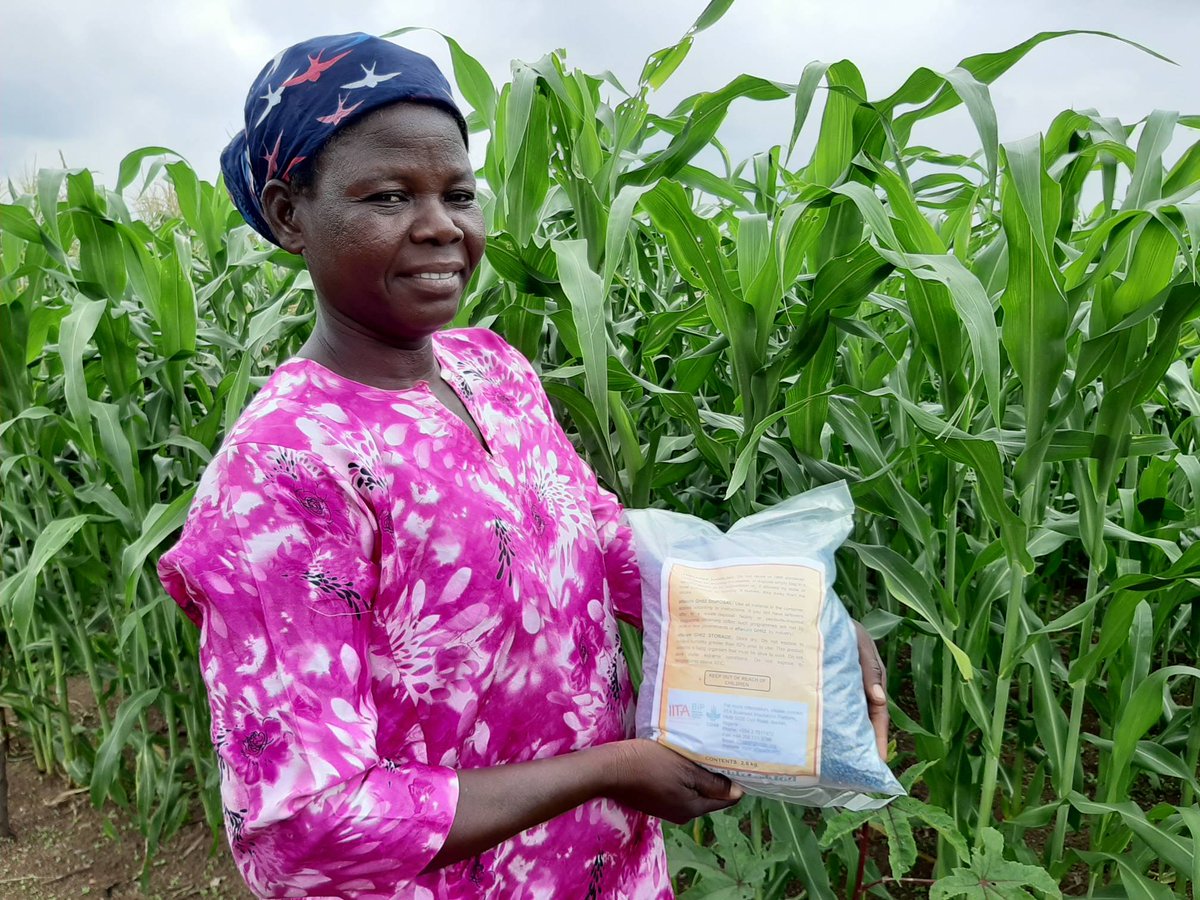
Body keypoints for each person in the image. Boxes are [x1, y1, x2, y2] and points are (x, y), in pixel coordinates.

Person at [159, 32, 889, 899]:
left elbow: (600, 542)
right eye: (390, 195)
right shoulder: (284, 472)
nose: (440, 225)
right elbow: (303, 828)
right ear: (290, 215)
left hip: (607, 871)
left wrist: (791, 630)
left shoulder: (490, 370)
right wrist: (609, 769)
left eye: (457, 193)